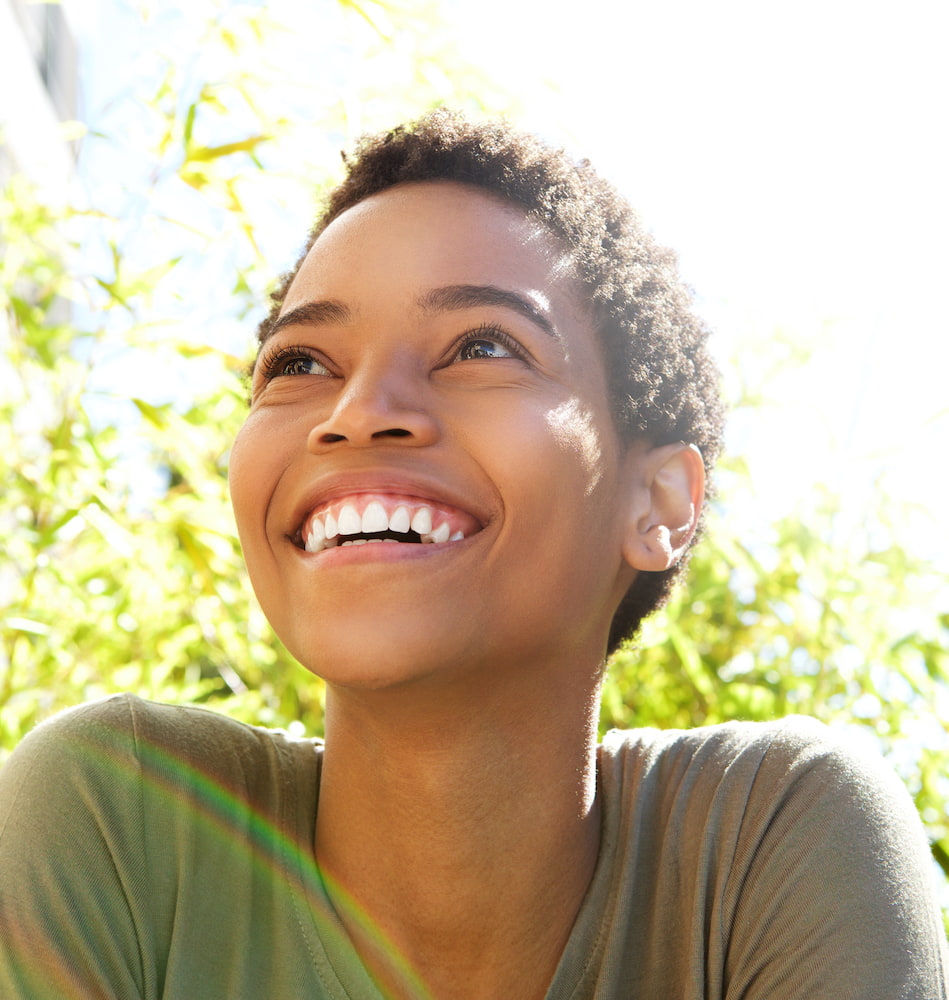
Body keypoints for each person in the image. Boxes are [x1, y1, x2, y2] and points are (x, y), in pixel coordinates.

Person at [0, 109, 946, 1000]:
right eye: (301, 364)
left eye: (481, 346)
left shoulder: (767, 840)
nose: (358, 411)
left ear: (656, 502)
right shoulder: (116, 813)